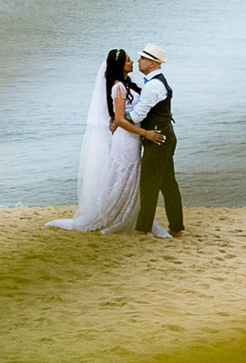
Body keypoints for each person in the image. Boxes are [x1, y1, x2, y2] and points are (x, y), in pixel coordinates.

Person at [47, 49, 171, 236]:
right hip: (126, 139)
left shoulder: (127, 85)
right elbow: (120, 120)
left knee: (130, 176)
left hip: (132, 138)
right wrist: (145, 133)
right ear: (120, 65)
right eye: (128, 60)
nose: (132, 62)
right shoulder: (118, 87)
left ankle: (130, 215)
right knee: (123, 175)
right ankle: (115, 215)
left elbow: (126, 115)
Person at [128, 44, 184, 237]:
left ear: (151, 63)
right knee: (167, 183)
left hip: (158, 137)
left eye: (142, 58)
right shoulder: (157, 82)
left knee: (149, 182)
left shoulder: (153, 85)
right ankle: (177, 226)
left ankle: (142, 228)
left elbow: (137, 115)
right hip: (165, 135)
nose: (138, 61)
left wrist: (118, 120)